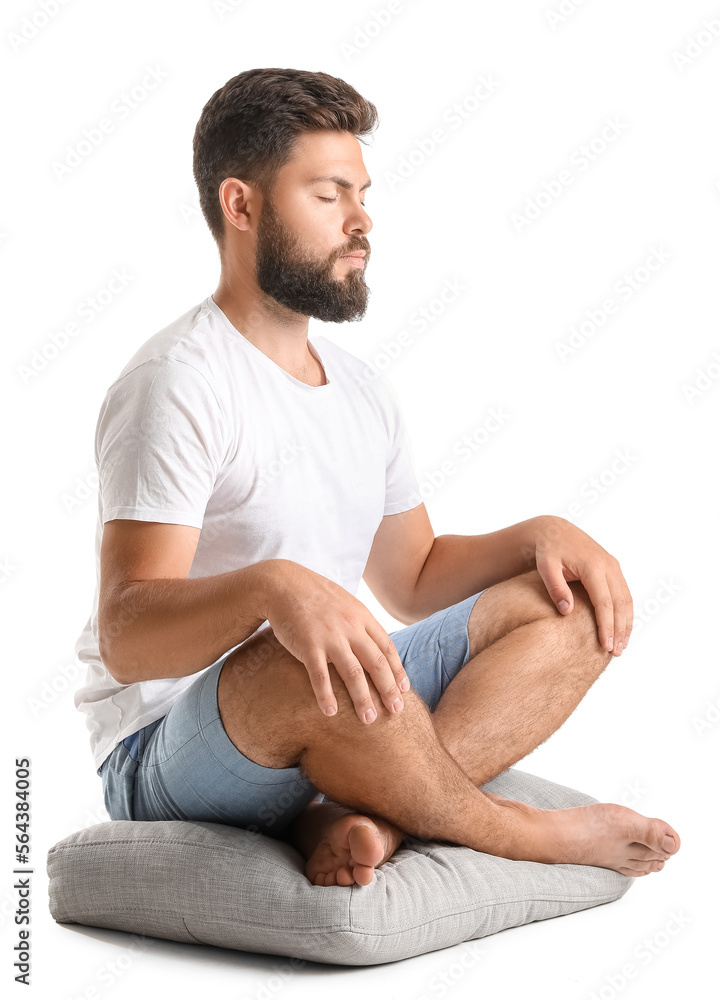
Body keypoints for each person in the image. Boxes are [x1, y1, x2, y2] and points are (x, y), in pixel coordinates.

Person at [74, 68, 680, 889]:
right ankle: (517, 831)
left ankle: (378, 818)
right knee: (287, 651)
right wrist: (274, 590)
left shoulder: (361, 390)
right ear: (241, 206)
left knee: (568, 606)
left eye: (361, 194)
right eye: (328, 196)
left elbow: (414, 578)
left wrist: (541, 536)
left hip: (327, 699)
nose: (361, 222)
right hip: (164, 749)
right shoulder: (177, 380)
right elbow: (127, 635)